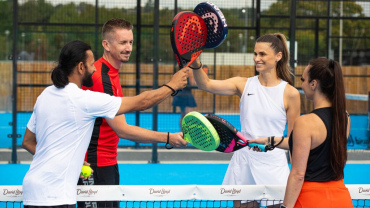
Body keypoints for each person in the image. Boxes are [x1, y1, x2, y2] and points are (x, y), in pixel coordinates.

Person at [21, 40, 189, 207]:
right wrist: (172, 85)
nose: (94, 68)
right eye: (91, 64)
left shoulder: (44, 96)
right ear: (81, 67)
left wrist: (70, 161)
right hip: (56, 198)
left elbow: (27, 142)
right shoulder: (83, 100)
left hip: (31, 190)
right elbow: (142, 102)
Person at [77, 18, 188, 208]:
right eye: (122, 42)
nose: (128, 48)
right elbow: (123, 130)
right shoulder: (100, 78)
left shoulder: (110, 72)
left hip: (108, 162)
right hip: (93, 165)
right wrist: (167, 137)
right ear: (106, 44)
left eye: (130, 42)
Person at [190, 33, 301, 207]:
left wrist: (297, 175)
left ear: (278, 56)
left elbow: (295, 142)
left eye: (262, 54)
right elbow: (206, 84)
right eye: (255, 54)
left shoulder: (291, 94)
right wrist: (195, 63)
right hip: (243, 161)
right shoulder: (242, 84)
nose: (257, 58)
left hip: (274, 165)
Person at [250, 58, 353, 208]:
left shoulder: (305, 123)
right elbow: (317, 146)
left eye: (303, 79)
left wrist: (286, 207)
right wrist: (269, 140)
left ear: (313, 84)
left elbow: (298, 174)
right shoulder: (345, 117)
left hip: (310, 200)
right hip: (341, 199)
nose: (301, 84)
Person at [172, 65, 208, 129]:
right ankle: (187, 134)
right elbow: (193, 84)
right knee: (188, 116)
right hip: (186, 95)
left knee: (183, 115)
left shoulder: (179, 70)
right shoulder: (189, 70)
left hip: (179, 94)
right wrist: (202, 76)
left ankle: (182, 133)